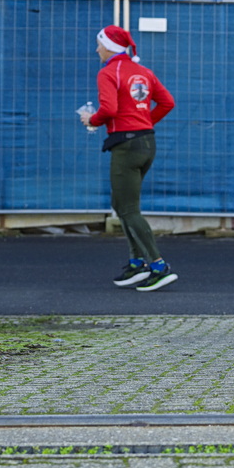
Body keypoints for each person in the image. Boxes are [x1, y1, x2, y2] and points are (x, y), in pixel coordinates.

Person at [80, 25, 178, 292]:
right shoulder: (144, 71)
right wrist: (144, 123)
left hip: (126, 146)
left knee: (128, 208)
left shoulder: (108, 72)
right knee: (121, 203)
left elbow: (109, 109)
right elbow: (167, 102)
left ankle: (158, 266)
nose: (97, 50)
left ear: (109, 47)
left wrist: (92, 120)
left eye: (99, 44)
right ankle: (137, 263)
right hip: (147, 143)